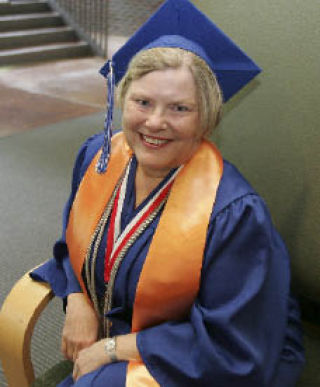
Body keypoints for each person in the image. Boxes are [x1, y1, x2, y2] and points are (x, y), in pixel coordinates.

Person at [31, 0, 305, 386]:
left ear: (206, 118)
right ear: (122, 99)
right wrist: (77, 299)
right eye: (143, 102)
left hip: (210, 357)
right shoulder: (99, 157)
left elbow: (235, 344)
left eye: (179, 108)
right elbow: (73, 239)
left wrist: (113, 349)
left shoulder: (233, 214)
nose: (155, 122)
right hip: (130, 336)